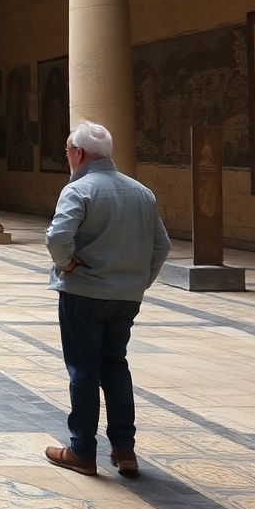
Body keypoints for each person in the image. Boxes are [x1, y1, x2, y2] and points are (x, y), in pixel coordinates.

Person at [43, 120, 170, 478]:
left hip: (84, 293)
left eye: (68, 151)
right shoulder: (142, 192)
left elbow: (58, 238)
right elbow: (162, 245)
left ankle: (81, 451)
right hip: (126, 298)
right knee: (115, 365)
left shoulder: (79, 189)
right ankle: (124, 449)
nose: (67, 157)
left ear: (78, 153)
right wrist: (139, 281)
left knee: (83, 370)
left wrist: (66, 261)